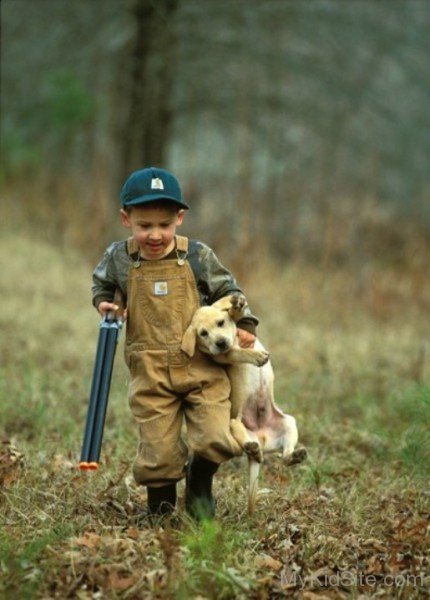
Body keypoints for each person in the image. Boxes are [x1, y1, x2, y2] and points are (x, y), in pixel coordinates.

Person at [92, 166, 259, 521]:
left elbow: (229, 291)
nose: (155, 234)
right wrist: (105, 303)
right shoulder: (120, 258)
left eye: (164, 225)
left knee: (216, 435)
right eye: (144, 226)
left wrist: (244, 323)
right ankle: (162, 508)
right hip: (149, 372)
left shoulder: (196, 256)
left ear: (179, 218)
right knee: (158, 449)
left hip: (202, 367)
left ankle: (199, 486)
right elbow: (102, 285)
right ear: (126, 219)